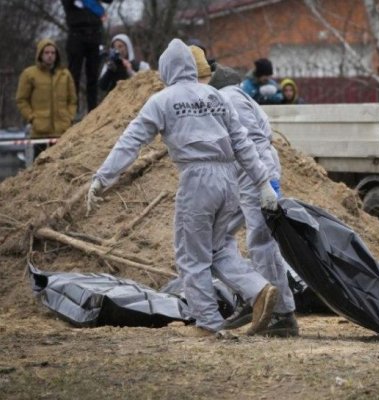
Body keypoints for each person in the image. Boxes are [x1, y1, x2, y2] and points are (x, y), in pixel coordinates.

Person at [86, 39, 280, 337]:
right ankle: (258, 289)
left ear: (166, 70)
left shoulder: (162, 100)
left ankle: (209, 323)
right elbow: (242, 142)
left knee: (192, 256)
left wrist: (103, 177)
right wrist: (263, 182)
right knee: (218, 248)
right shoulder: (216, 96)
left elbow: (131, 141)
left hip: (196, 179)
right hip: (229, 179)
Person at [208, 62, 299, 337]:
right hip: (249, 174)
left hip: (254, 173)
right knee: (219, 238)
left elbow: (253, 142)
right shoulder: (238, 95)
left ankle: (281, 314)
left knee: (261, 242)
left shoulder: (228, 98)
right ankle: (253, 297)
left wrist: (265, 183)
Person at [15, 39, 77, 159]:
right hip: (40, 132)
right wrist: (32, 117)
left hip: (62, 131)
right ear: (40, 54)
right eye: (46, 52)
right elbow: (21, 100)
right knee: (39, 166)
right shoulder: (29, 74)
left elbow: (72, 100)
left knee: (61, 166)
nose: (50, 56)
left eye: (53, 53)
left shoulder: (65, 74)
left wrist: (69, 117)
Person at [61, 0, 113, 112]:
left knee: (93, 76)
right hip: (76, 34)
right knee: (74, 75)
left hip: (94, 35)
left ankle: (92, 110)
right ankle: (73, 110)